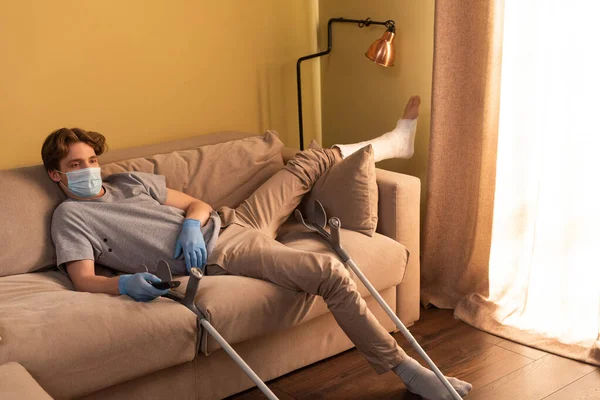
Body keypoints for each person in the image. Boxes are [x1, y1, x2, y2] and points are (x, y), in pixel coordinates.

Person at [42, 95, 472, 399]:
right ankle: (407, 371)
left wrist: (191, 225)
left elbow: (196, 203)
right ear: (57, 176)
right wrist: (124, 285)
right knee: (330, 274)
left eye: (92, 160)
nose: (89, 170)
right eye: (75, 166)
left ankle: (396, 142)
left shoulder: (128, 181)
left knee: (307, 161)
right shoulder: (71, 217)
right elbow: (83, 279)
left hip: (231, 221)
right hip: (224, 252)